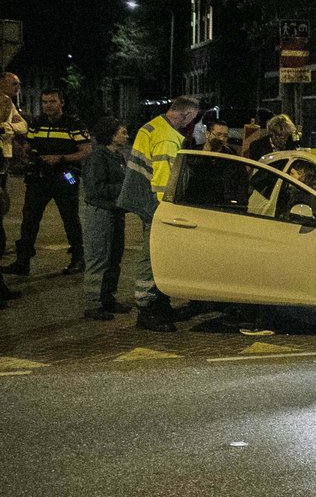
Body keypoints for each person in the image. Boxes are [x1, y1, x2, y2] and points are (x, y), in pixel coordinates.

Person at [120, 95, 200, 333]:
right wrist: (167, 211)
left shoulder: (154, 125)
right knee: (151, 256)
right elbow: (163, 181)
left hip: (142, 200)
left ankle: (160, 303)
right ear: (186, 115)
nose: (191, 124)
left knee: (152, 254)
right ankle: (147, 308)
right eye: (192, 119)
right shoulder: (168, 138)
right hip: (154, 206)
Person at [2, 87, 91, 276]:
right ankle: (23, 261)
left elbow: (85, 150)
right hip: (39, 177)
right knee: (29, 220)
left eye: (52, 102)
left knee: (70, 219)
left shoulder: (72, 123)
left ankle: (78, 258)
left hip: (64, 176)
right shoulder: (37, 122)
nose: (48, 106)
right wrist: (26, 150)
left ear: (61, 103)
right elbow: (29, 144)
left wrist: (61, 158)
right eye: (44, 102)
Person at [81, 116, 132, 320]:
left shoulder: (117, 157)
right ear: (110, 135)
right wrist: (125, 189)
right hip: (101, 212)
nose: (126, 136)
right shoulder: (97, 157)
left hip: (115, 212)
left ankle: (108, 298)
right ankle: (92, 303)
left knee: (114, 257)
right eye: (123, 132)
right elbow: (96, 189)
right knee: (98, 258)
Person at [0, 74, 24, 304]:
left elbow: (22, 126)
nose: (17, 88)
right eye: (13, 83)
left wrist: (5, 127)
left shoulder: (8, 104)